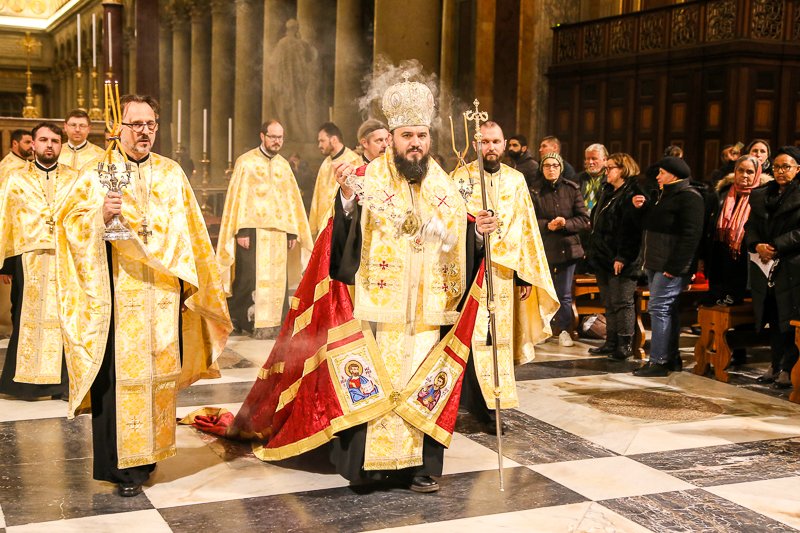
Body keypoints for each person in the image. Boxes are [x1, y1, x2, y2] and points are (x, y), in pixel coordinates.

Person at [56, 94, 231, 497]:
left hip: (164, 296)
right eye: (136, 124)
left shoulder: (172, 174)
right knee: (122, 381)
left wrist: (196, 285)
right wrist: (99, 217)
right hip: (119, 295)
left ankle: (149, 455)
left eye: (151, 124)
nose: (144, 132)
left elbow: (193, 235)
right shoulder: (96, 174)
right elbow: (67, 228)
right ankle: (123, 468)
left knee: (158, 376)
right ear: (119, 128)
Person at [328, 76, 488, 493]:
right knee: (377, 381)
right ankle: (370, 468)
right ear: (391, 139)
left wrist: (479, 233)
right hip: (378, 306)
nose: (415, 143)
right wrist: (346, 198)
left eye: (421, 135)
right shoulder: (369, 179)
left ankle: (420, 468)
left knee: (426, 383)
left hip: (429, 309)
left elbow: (461, 240)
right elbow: (346, 234)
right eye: (406, 136)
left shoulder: (444, 185)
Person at [450, 121, 558, 431]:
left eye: (496, 141)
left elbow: (526, 229)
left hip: (504, 275)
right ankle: (469, 399)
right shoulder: (460, 178)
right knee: (471, 338)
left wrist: (524, 276)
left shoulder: (516, 180)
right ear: (475, 144)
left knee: (497, 339)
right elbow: (450, 225)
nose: (491, 148)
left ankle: (494, 405)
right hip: (472, 273)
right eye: (485, 142)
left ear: (505, 143)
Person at [0, 122, 78, 400]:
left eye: (55, 141)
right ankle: (26, 384)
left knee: (66, 319)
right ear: (32, 144)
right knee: (25, 317)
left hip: (66, 258)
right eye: (43, 140)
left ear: (61, 145)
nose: (49, 145)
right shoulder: (15, 178)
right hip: (28, 258)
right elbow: (5, 219)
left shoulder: (76, 179)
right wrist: (5, 264)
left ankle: (63, 383)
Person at [217, 120, 313, 339]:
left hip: (279, 233)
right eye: (273, 137)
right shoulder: (246, 162)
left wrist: (291, 232)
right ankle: (244, 320)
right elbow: (238, 199)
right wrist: (242, 231)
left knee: (278, 280)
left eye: (280, 137)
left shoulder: (283, 166)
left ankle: (276, 323)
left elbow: (291, 201)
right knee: (248, 278)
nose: (277, 141)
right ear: (262, 136)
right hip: (252, 232)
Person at [631, 156, 704, 377]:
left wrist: (675, 266)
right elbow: (651, 224)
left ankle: (659, 361)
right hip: (655, 262)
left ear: (673, 175)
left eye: (662, 172)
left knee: (659, 309)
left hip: (670, 265)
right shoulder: (663, 195)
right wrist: (641, 209)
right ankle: (672, 358)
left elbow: (691, 236)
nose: (657, 176)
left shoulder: (690, 198)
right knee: (667, 310)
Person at [745, 146, 800, 389]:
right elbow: (751, 226)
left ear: (798, 169)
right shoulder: (762, 194)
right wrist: (757, 245)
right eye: (776, 167)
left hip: (793, 265)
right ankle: (775, 363)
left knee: (790, 317)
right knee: (774, 316)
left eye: (786, 167)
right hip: (766, 265)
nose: (780, 171)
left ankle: (788, 367)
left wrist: (776, 245)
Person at [587, 153, 644, 360]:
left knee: (622, 302)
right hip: (603, 256)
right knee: (609, 302)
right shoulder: (608, 191)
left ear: (623, 169)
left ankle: (625, 344)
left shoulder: (633, 193)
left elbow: (631, 230)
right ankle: (610, 342)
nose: (606, 172)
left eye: (610, 168)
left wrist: (622, 257)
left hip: (622, 259)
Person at [532, 152, 590, 347]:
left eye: (555, 165)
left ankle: (564, 330)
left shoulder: (572, 189)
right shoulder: (535, 190)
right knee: (543, 292)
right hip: (545, 248)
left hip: (567, 248)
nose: (551, 169)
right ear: (542, 168)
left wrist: (565, 223)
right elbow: (528, 219)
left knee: (564, 293)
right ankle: (544, 329)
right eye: (547, 165)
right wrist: (546, 225)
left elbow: (583, 219)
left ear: (561, 168)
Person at [706, 155, 769, 306]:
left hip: (747, 258)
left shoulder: (764, 196)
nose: (744, 175)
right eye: (740, 170)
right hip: (721, 256)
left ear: (757, 174)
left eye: (750, 171)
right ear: (735, 171)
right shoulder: (722, 193)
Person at [308, 122, 362, 238]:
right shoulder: (325, 163)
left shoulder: (353, 160)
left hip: (342, 225)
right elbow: (317, 195)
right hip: (323, 225)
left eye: (322, 141)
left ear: (333, 139)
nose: (319, 145)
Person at [575, 143, 608, 212]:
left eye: (594, 158)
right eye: (587, 159)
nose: (590, 162)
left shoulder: (610, 179)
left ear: (605, 160)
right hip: (581, 219)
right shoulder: (577, 178)